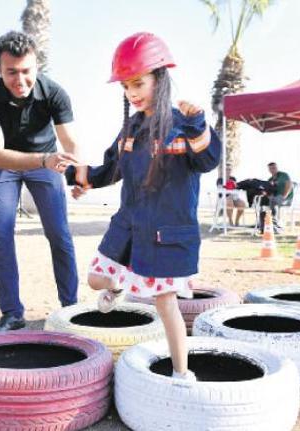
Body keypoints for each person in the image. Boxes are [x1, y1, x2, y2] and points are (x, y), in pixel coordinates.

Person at [66, 32, 221, 381]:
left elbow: (209, 160)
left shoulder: (184, 125)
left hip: (165, 233)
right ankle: (119, 286)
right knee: (94, 280)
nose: (131, 93)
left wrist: (198, 125)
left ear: (160, 78)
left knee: (165, 304)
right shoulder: (130, 129)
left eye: (138, 83)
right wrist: (79, 179)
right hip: (129, 227)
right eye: (125, 86)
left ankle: (182, 373)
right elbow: (110, 169)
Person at [0, 30, 81, 332]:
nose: (20, 80)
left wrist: (77, 175)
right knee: (0, 237)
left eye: (26, 71)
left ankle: (70, 308)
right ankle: (12, 314)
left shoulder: (55, 93)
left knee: (59, 234)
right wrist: (44, 160)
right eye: (11, 72)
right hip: (6, 165)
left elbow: (70, 144)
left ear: (37, 66)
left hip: (46, 163)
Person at [262, 162, 293, 233]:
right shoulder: (270, 180)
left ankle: (275, 223)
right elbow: (268, 191)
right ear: (269, 170)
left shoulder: (284, 175)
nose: (273, 170)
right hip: (274, 199)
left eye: (274, 168)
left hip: (286, 198)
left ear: (277, 168)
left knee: (273, 201)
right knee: (263, 202)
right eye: (271, 168)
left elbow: (289, 185)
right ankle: (263, 223)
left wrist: (284, 196)